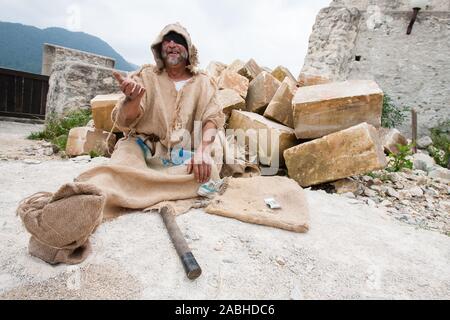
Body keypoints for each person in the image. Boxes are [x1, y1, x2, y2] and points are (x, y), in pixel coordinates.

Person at [16, 23, 228, 265]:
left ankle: (134, 189)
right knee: (113, 173)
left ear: (189, 49)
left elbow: (212, 119)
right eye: (166, 40)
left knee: (206, 171)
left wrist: (201, 152)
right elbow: (124, 121)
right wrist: (132, 99)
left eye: (178, 39)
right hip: (143, 147)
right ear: (159, 48)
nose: (171, 44)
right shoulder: (145, 76)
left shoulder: (203, 82)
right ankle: (67, 215)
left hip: (183, 154)